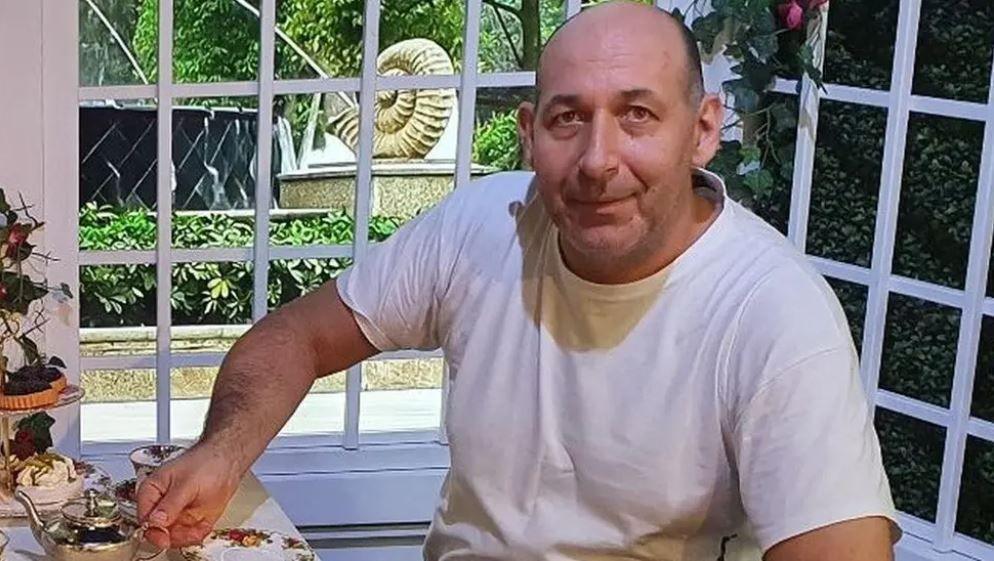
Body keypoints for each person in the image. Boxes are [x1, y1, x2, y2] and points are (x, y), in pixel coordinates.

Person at [137, 1, 902, 559]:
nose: (599, 160)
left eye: (637, 115)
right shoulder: (480, 226)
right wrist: (222, 452)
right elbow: (296, 336)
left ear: (703, 129)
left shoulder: (773, 312)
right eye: (570, 119)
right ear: (530, 133)